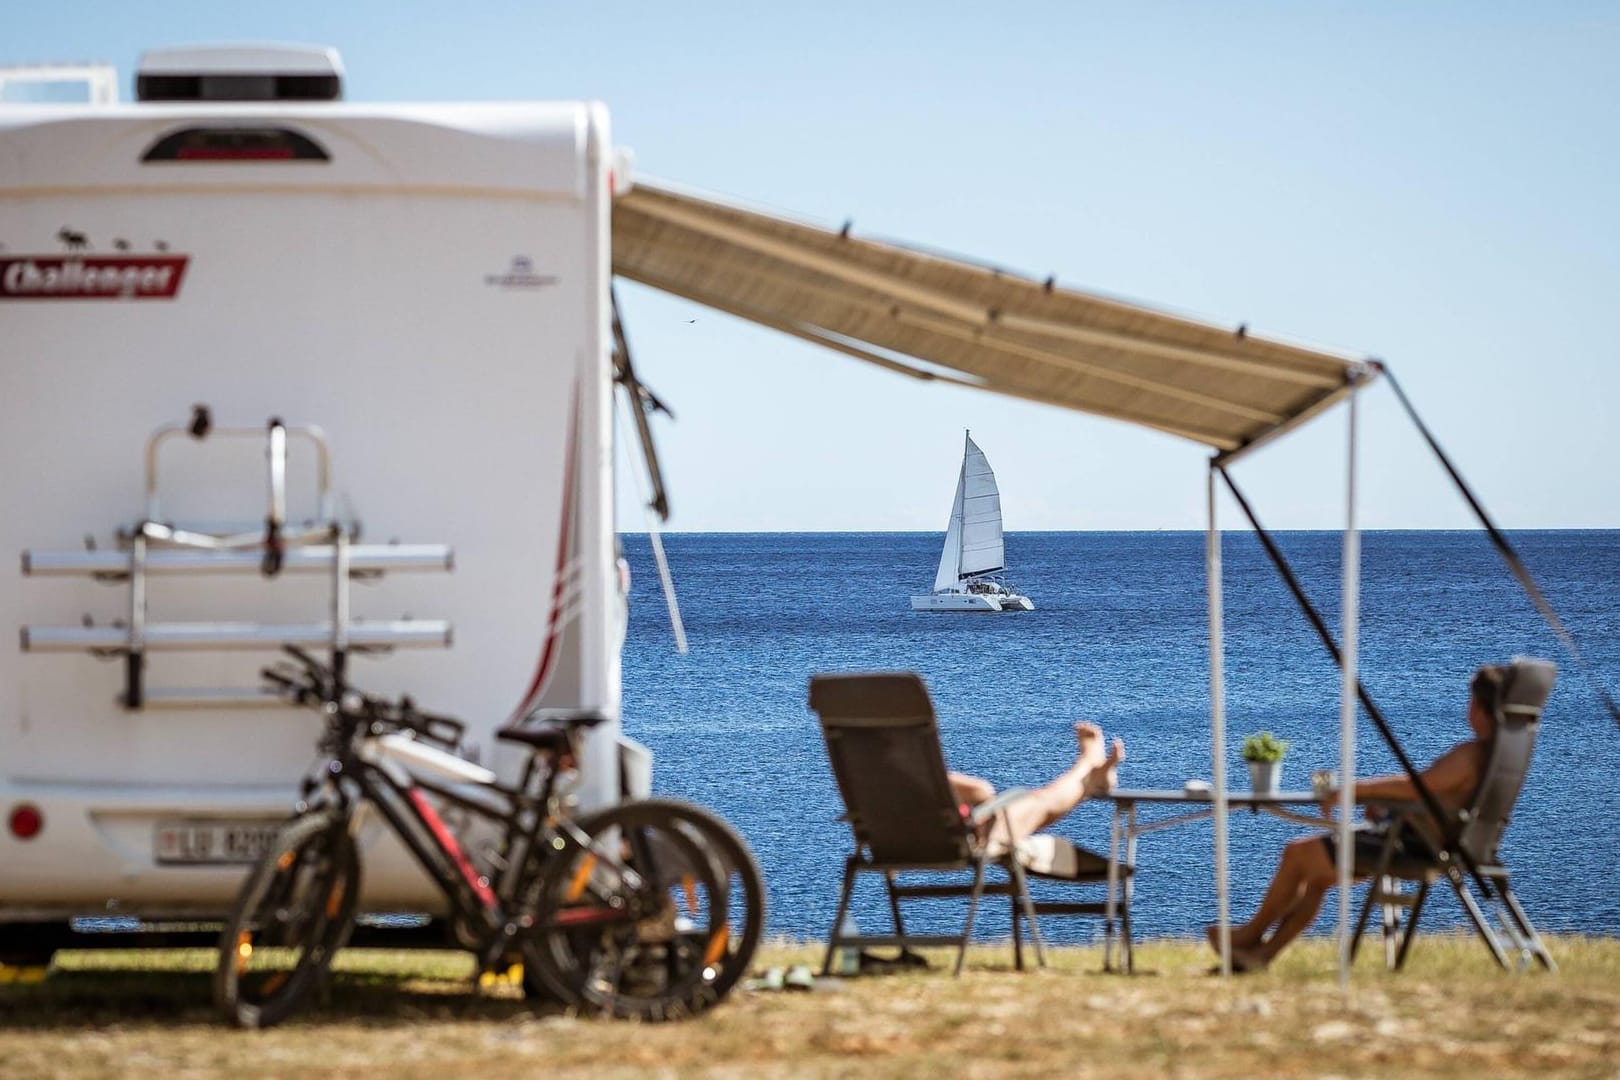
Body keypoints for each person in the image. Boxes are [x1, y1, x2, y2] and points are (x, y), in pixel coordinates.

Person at [1210, 665, 1504, 971]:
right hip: (1426, 841)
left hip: (1409, 848)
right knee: (1319, 879)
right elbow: (1434, 796)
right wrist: (1389, 807)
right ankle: (1261, 956)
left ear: (1479, 708)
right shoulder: (1495, 756)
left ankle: (1250, 934)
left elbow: (1418, 786)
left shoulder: (1470, 755)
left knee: (1297, 854)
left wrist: (1352, 791)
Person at [947, 721, 1125, 856]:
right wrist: (980, 793)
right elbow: (978, 790)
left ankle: (1090, 772)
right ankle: (1088, 772)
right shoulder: (920, 770)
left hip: (921, 846)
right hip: (961, 838)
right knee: (1040, 801)